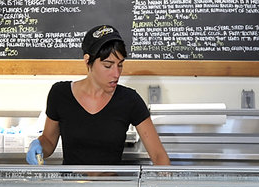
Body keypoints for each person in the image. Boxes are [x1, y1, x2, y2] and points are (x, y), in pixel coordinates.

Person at [26, 25, 170, 167]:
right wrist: (38, 145)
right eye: (108, 65)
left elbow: (158, 155)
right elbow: (49, 142)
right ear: (88, 60)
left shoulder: (129, 100)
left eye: (120, 65)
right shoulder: (60, 94)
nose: (116, 74)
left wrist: (166, 180)